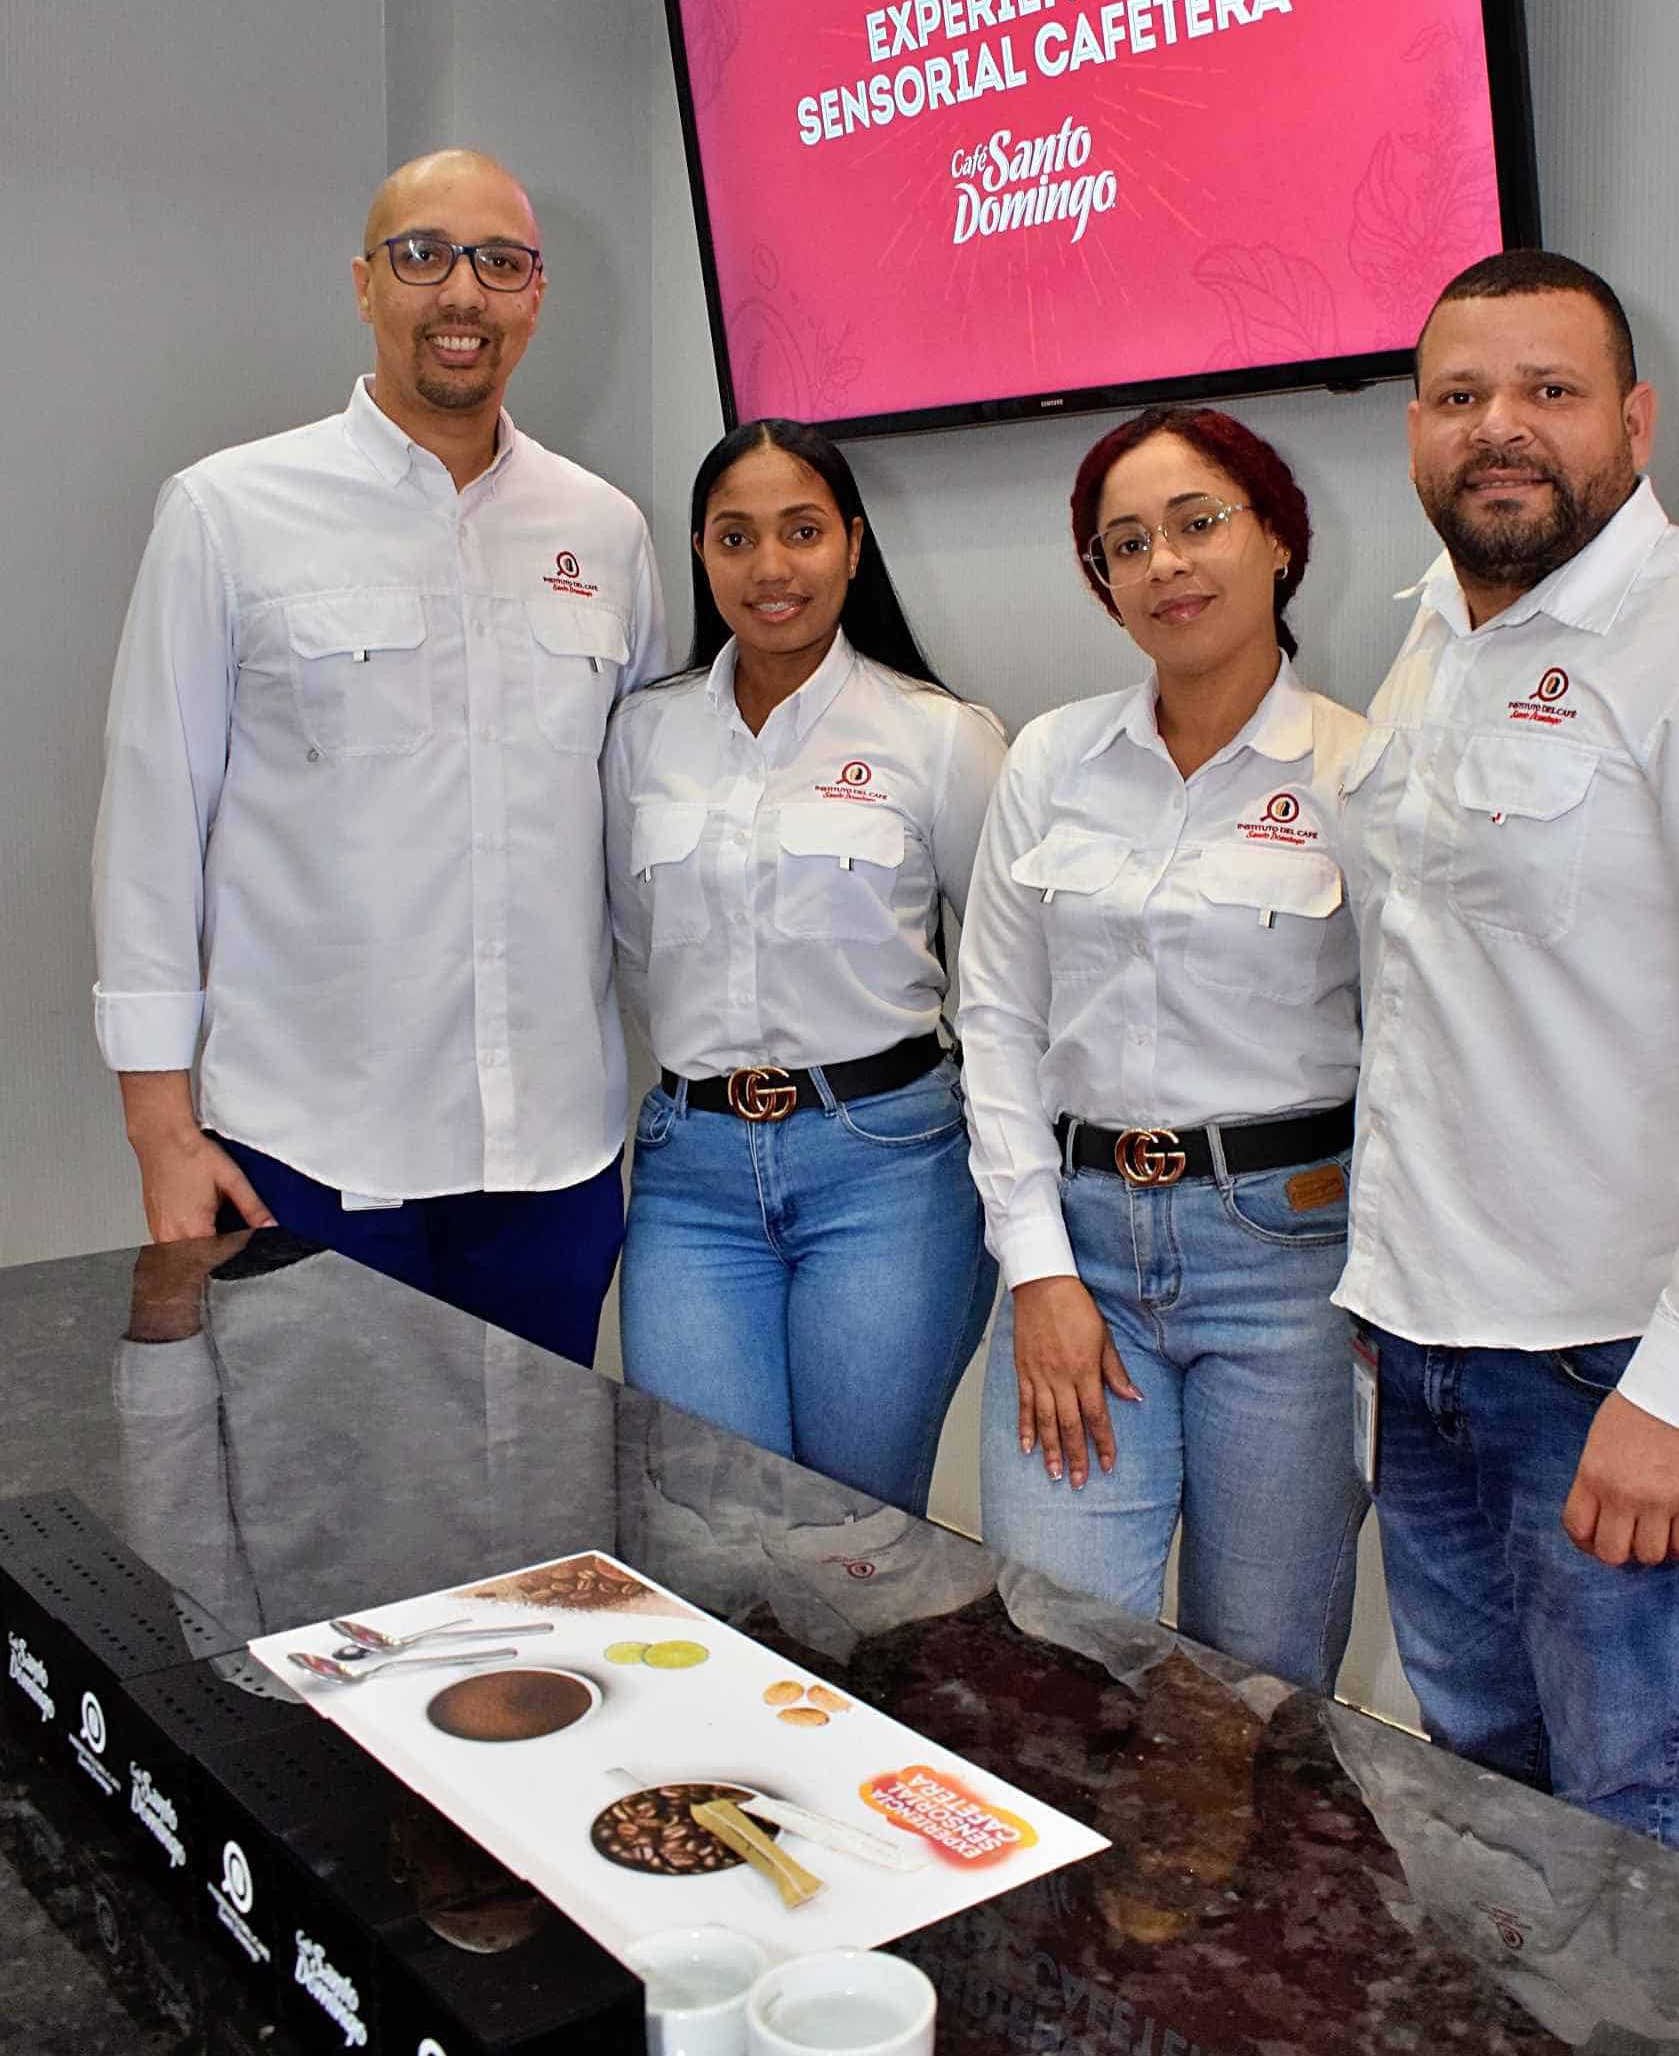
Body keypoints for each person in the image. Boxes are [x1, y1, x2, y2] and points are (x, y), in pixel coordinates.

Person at [1331, 247, 1679, 1861]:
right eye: (1459, 397)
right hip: (1434, 1345)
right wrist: (1397, 1314)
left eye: (1549, 392)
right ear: (1418, 432)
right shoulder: (1439, 638)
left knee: (1625, 1832)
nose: (1498, 428)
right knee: (1480, 1797)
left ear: (1636, 425)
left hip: (1614, 1369)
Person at [92, 149, 668, 1362]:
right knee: (326, 1535)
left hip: (552, 1158)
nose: (462, 292)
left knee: (537, 1526)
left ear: (534, 296)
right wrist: (159, 1125)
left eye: (498, 262)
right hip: (309, 1152)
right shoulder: (226, 512)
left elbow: (638, 818)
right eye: (423, 255)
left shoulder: (604, 531)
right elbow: (153, 815)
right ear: (365, 284)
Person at [957, 406, 1370, 1691]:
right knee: (1057, 1651)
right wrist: (1037, 1271)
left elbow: (1413, 1049)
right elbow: (996, 1021)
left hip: (1288, 1261)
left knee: (1260, 1680)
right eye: (1125, 543)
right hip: (1080, 1251)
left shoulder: (1362, 770)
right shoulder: (1051, 758)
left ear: (1278, 542)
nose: (1166, 564)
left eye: (1198, 524)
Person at [605, 419, 1004, 1514]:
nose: (770, 566)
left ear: (853, 545)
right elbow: (639, 952)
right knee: (710, 1519)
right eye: (735, 537)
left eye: (801, 531)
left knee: (854, 1531)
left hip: (884, 1168)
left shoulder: (939, 736)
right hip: (694, 1178)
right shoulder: (643, 736)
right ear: (700, 551)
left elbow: (1019, 978)